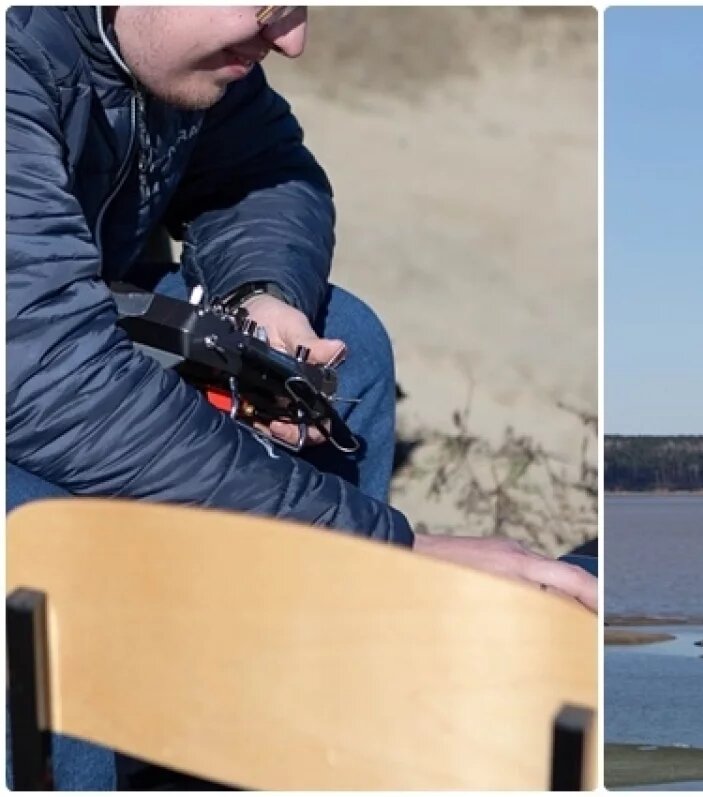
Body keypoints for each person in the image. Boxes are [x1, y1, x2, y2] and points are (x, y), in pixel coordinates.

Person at [6, 6, 597, 788]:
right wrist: (383, 550)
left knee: (344, 344)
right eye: (269, 5)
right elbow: (50, 378)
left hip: (54, 340)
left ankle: (268, 741)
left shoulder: (160, 50)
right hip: (34, 375)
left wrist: (260, 292)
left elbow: (261, 168)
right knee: (52, 535)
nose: (293, 41)